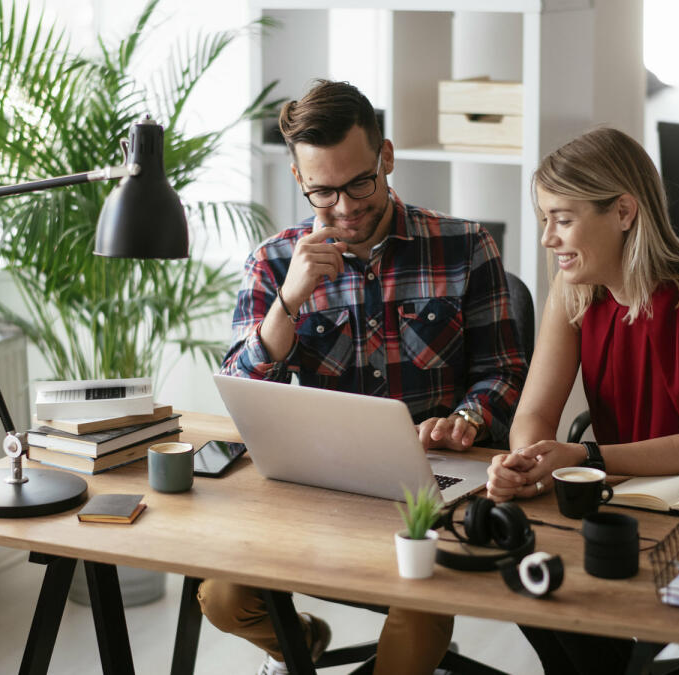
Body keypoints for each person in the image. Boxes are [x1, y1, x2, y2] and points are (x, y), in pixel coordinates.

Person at [204, 79, 528, 675]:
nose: (347, 208)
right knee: (222, 598)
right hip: (322, 490)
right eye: (324, 192)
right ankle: (301, 643)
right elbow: (240, 395)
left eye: (360, 183)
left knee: (418, 606)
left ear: (387, 157)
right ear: (300, 180)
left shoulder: (465, 245)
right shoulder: (274, 262)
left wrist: (467, 418)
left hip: (431, 491)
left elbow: (505, 373)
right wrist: (289, 303)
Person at [486, 127, 679, 674]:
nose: (547, 239)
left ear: (624, 211)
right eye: (543, 220)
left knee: (615, 641)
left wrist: (583, 459)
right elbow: (533, 412)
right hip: (629, 496)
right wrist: (526, 460)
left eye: (562, 218)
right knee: (521, 574)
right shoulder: (574, 288)